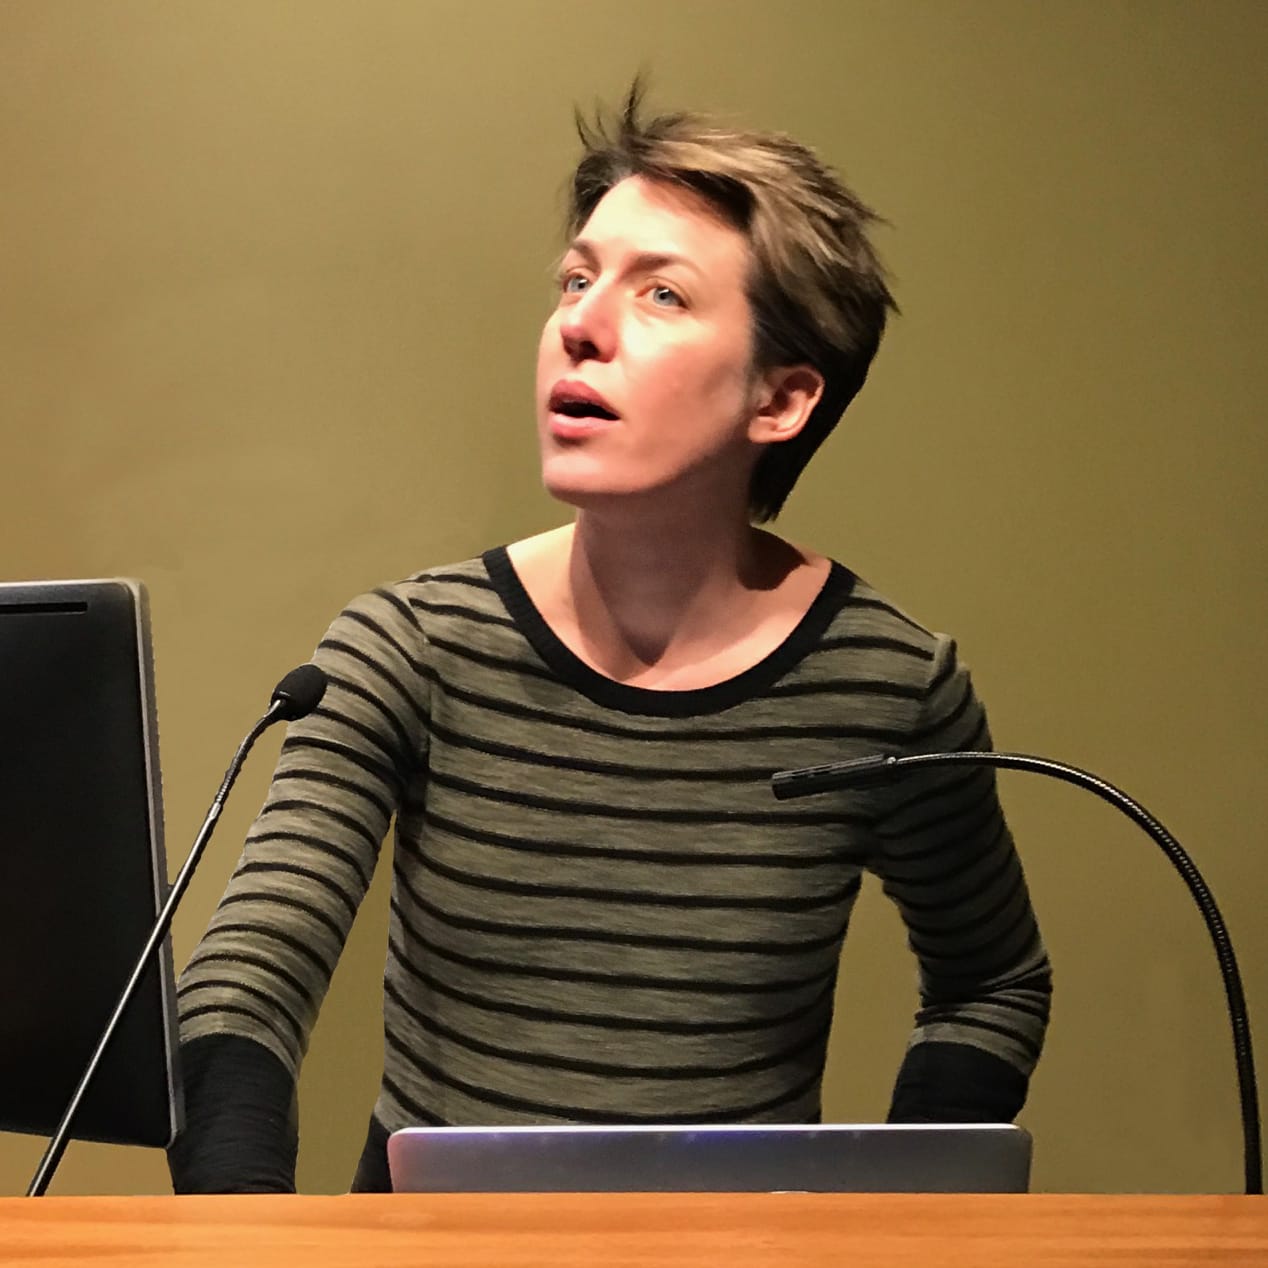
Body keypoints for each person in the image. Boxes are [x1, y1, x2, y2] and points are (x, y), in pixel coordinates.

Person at [168, 85, 1052, 1194]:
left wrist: (893, 1212)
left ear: (779, 400)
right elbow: (243, 980)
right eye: (577, 279)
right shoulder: (407, 645)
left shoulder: (886, 682)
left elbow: (992, 979)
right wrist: (245, 1234)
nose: (579, 323)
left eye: (662, 294)